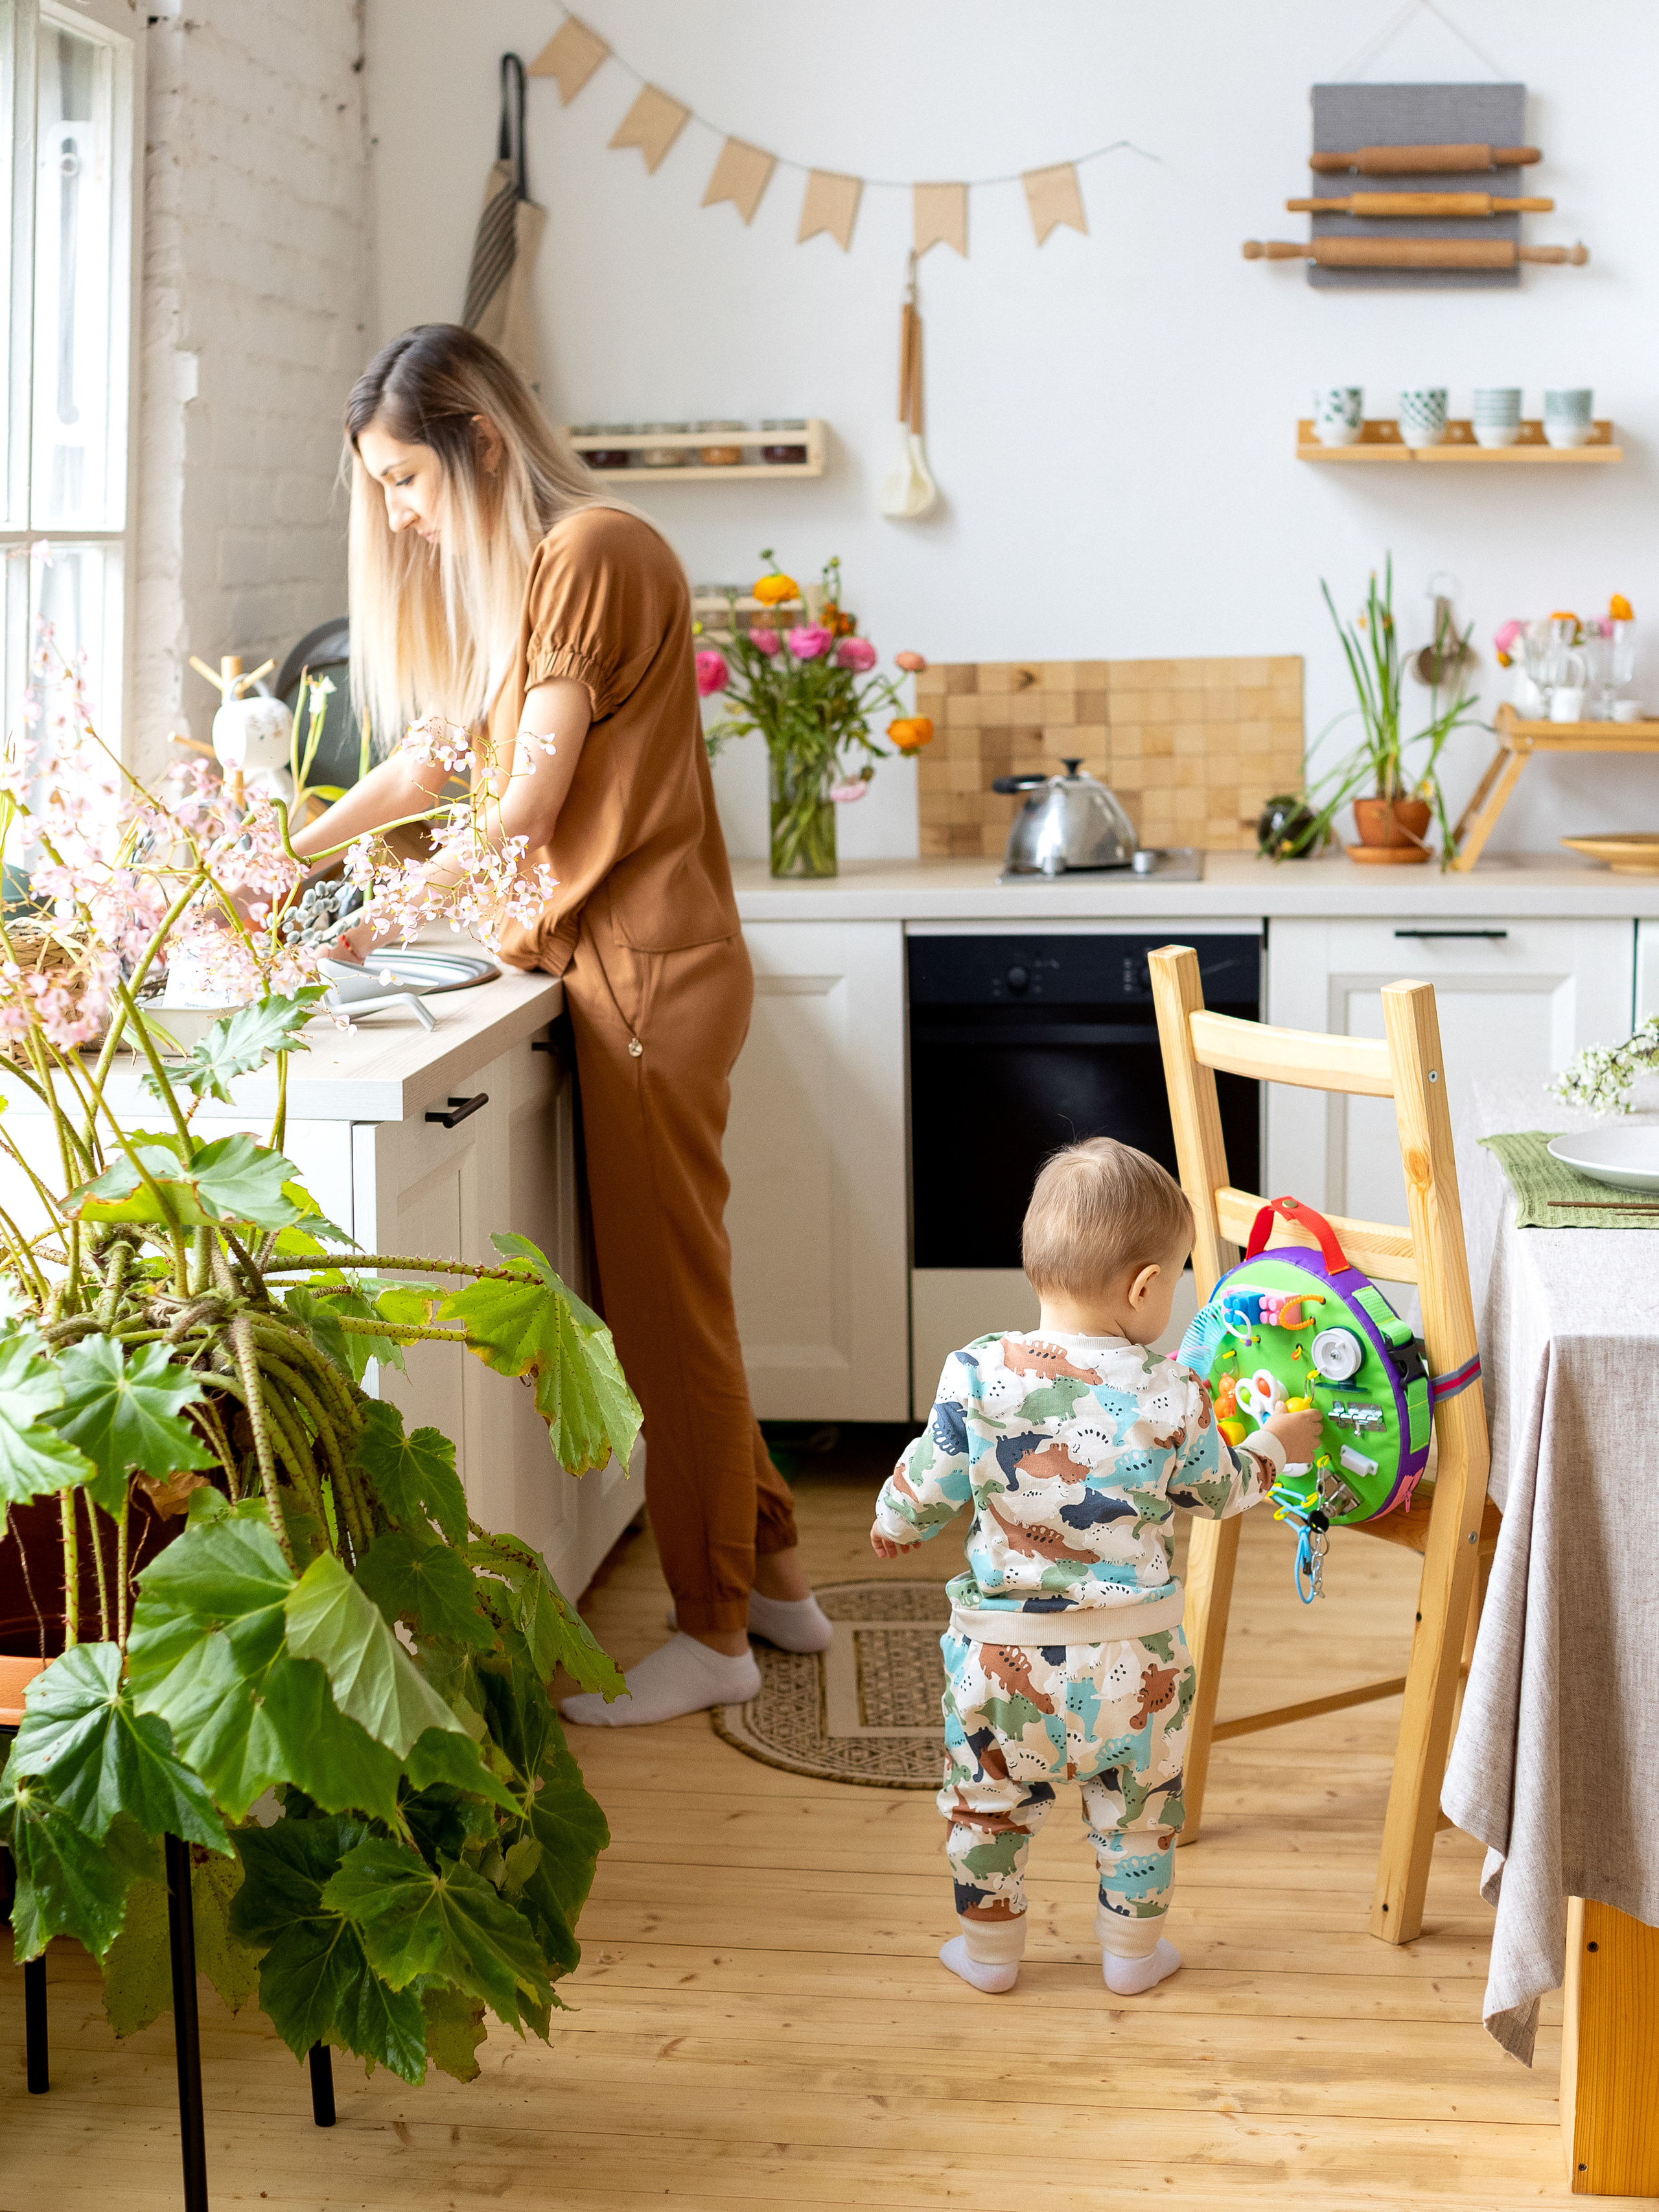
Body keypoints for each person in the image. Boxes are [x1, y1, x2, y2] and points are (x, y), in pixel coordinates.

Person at [290, 323, 832, 1725]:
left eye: (405, 481)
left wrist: (389, 914)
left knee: (669, 1322)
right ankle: (773, 1579)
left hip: (645, 976)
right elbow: (433, 766)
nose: (397, 519)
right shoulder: (533, 581)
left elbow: (524, 808)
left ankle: (712, 1631)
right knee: (683, 1302)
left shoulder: (594, 554)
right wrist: (287, 853)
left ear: (478, 441)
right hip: (627, 967)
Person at [869, 1138, 1322, 1997]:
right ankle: (1132, 1957)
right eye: (1177, 1282)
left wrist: (894, 1523)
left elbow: (925, 1481)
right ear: (1144, 1287)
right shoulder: (1171, 1391)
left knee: (985, 1809)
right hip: (1135, 1664)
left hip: (1000, 1664)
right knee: (1139, 1815)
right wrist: (1276, 1444)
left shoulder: (975, 1373)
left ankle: (990, 1957)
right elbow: (1220, 1491)